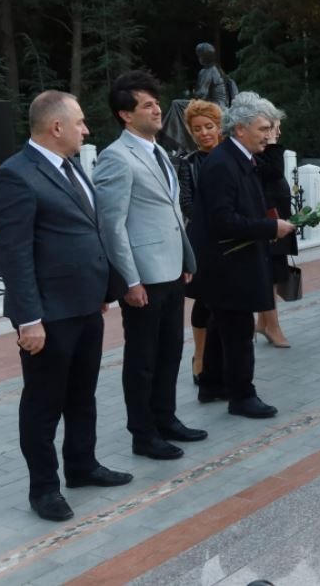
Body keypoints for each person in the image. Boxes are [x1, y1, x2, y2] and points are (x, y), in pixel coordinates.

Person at [0, 91, 133, 521]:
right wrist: (29, 319)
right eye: (81, 122)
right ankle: (44, 489)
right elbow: (14, 254)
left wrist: (102, 291)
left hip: (86, 306)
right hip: (48, 316)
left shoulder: (70, 167)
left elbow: (85, 231)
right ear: (56, 127)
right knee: (44, 403)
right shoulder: (15, 175)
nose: (86, 129)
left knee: (82, 394)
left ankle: (82, 465)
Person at [94, 71, 205, 461]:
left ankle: (166, 418)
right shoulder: (115, 158)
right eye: (147, 105)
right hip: (143, 278)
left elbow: (171, 213)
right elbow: (112, 226)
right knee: (142, 359)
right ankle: (143, 434)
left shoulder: (160, 150)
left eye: (157, 102)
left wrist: (185, 260)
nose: (158, 109)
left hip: (173, 270)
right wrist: (130, 280)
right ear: (126, 115)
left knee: (171, 350)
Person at [189, 92, 295, 419]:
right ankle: (242, 396)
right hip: (226, 262)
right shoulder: (223, 163)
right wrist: (268, 228)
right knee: (236, 330)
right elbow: (223, 221)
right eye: (263, 129)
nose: (269, 135)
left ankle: (211, 384)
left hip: (233, 259)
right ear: (240, 130)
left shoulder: (241, 156)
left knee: (222, 326)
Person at [178, 99, 223, 384]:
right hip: (203, 240)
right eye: (198, 129)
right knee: (204, 300)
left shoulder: (231, 157)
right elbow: (186, 202)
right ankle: (200, 356)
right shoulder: (188, 163)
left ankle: (224, 359)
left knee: (226, 301)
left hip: (232, 238)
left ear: (219, 127)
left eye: (209, 126)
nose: (204, 133)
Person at [254, 114, 297, 347]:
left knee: (273, 273)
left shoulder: (265, 152)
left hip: (277, 218)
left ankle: (264, 322)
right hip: (270, 220)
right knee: (269, 275)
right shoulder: (262, 152)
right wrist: (270, 144)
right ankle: (272, 325)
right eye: (273, 128)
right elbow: (275, 172)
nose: (277, 134)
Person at [194, 42, 230, 108]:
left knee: (176, 104)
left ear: (205, 56)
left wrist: (194, 95)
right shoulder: (217, 68)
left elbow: (202, 94)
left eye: (200, 56)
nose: (199, 58)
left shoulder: (207, 70)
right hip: (222, 105)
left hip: (214, 106)